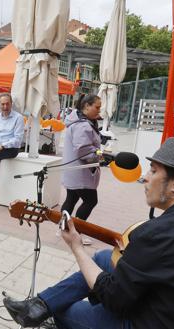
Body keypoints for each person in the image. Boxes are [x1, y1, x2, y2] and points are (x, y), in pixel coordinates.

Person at [3, 137, 174, 329]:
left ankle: (53, 313)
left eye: (153, 171)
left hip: (159, 322)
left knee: (66, 310)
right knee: (105, 258)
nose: (145, 177)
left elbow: (116, 300)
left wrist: (76, 247)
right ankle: (39, 306)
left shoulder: (159, 233)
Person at [61, 95, 102, 244]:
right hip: (80, 171)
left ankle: (64, 228)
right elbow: (84, 151)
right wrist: (100, 155)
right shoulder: (82, 125)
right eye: (97, 107)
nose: (99, 110)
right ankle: (75, 233)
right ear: (86, 106)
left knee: (71, 198)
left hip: (73, 170)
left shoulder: (78, 121)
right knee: (91, 201)